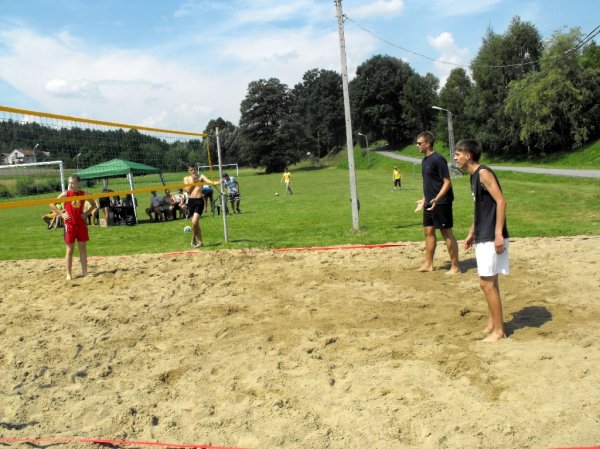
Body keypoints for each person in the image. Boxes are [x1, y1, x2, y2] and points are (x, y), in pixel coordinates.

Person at [454, 139, 509, 342]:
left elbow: (501, 201)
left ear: (468, 156)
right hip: (483, 232)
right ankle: (493, 323)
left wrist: (498, 234)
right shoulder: (473, 177)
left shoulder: (484, 173)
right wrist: (471, 232)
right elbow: (481, 209)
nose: (455, 157)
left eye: (458, 154)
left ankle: (499, 331)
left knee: (487, 283)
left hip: (491, 235)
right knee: (489, 282)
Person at [414, 131, 460, 274]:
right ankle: (428, 264)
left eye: (419, 143)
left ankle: (455, 266)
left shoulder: (438, 159)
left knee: (446, 232)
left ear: (428, 143)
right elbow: (429, 183)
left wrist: (437, 199)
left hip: (442, 202)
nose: (417, 146)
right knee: (428, 231)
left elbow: (447, 183)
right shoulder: (424, 161)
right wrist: (424, 199)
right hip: (430, 202)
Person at [50, 175, 98, 280]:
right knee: (70, 249)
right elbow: (52, 204)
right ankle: (69, 274)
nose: (70, 184)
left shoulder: (83, 194)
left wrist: (86, 214)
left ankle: (85, 272)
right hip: (70, 224)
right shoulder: (66, 194)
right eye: (69, 183)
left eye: (72, 182)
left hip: (80, 224)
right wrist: (61, 214)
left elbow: (94, 205)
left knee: (82, 247)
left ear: (78, 183)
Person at [184, 164, 220, 248]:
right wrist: (193, 181)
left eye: (194, 169)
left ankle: (193, 237)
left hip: (199, 201)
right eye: (191, 170)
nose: (193, 171)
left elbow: (210, 182)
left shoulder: (201, 176)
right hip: (191, 202)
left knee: (194, 222)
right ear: (188, 171)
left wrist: (219, 182)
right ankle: (200, 243)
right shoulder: (186, 178)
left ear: (196, 169)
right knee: (195, 225)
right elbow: (188, 190)